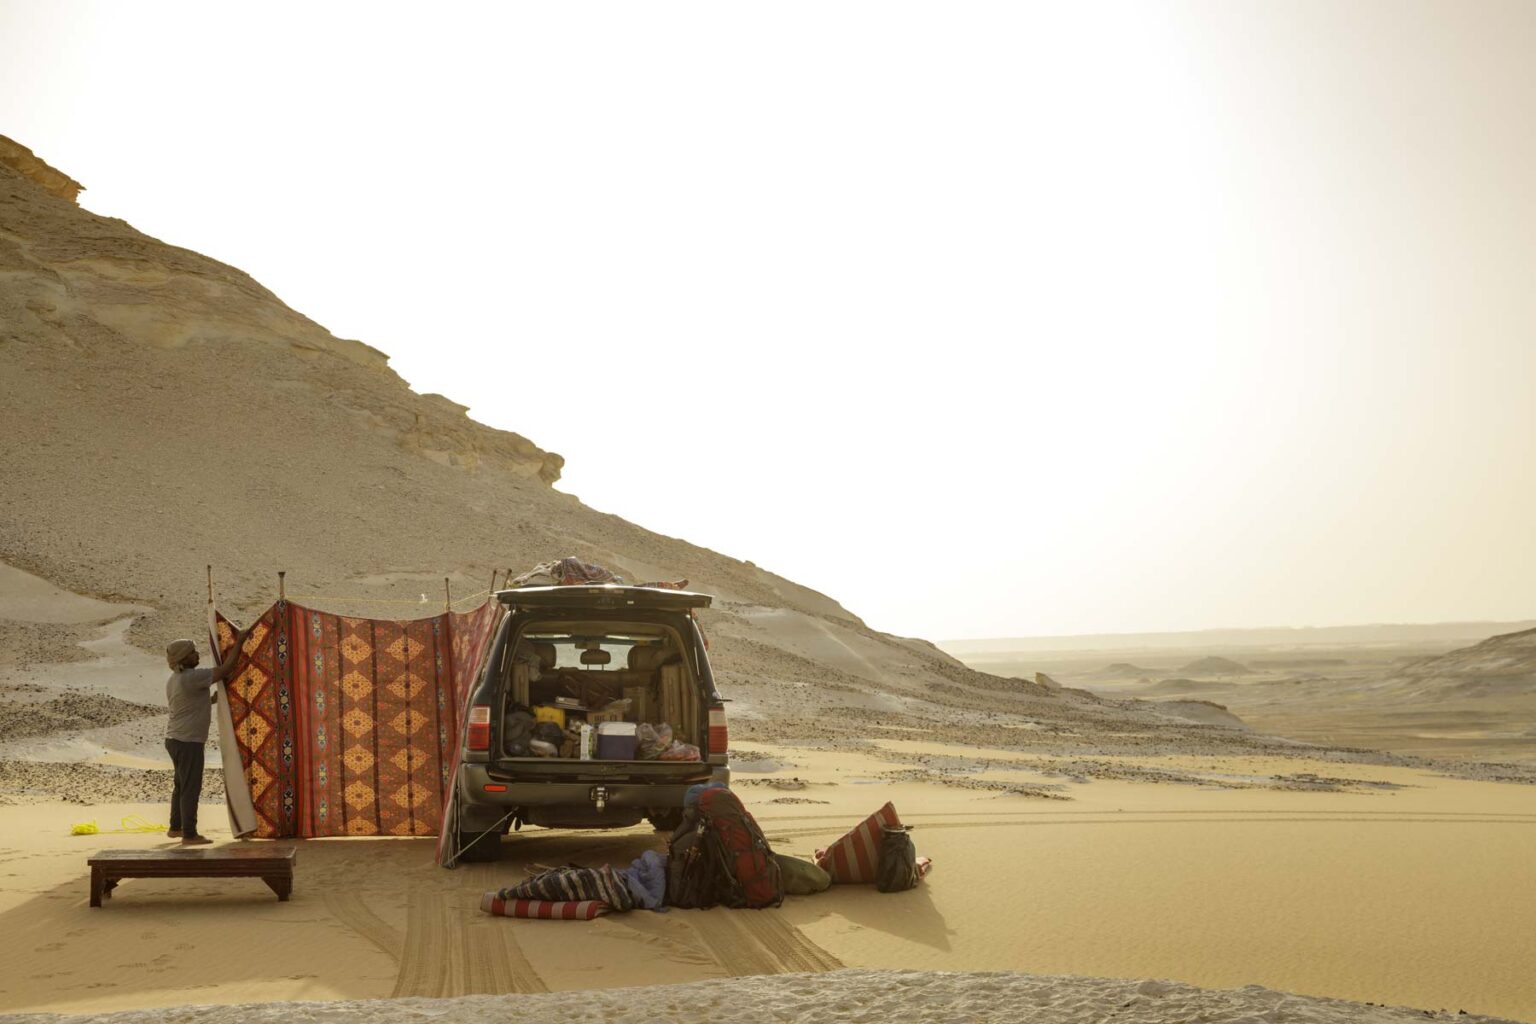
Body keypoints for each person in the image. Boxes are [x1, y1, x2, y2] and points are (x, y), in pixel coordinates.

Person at [164, 629, 249, 845]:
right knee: (191, 787)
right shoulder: (193, 677)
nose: (197, 655)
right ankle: (189, 834)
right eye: (193, 653)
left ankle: (176, 827)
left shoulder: (175, 679)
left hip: (175, 739)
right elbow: (226, 669)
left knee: (181, 785)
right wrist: (239, 642)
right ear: (184, 658)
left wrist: (210, 701)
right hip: (188, 742)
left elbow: (188, 704)